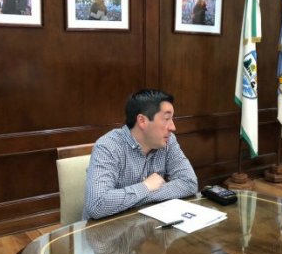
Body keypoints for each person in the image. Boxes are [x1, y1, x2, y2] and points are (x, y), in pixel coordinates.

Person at [83, 89, 198, 220]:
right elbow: (97, 204)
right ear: (142, 121)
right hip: (104, 233)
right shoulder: (108, 147)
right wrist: (146, 186)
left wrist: (145, 192)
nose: (173, 127)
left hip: (147, 226)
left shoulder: (168, 141)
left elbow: (189, 183)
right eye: (166, 119)